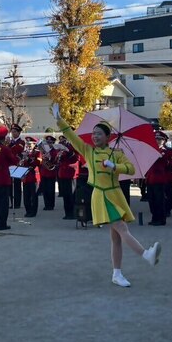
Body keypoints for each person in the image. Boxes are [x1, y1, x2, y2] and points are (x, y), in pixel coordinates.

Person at [54, 104, 162, 288]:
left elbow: (131, 169)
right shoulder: (89, 151)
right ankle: (146, 255)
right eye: (94, 133)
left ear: (108, 137)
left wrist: (114, 166)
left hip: (115, 194)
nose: (95, 136)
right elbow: (72, 137)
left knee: (116, 237)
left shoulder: (118, 154)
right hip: (101, 195)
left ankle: (116, 274)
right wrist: (59, 120)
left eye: (99, 134)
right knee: (121, 228)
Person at [145, 131, 172, 226]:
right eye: (156, 139)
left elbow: (167, 162)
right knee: (151, 200)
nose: (157, 141)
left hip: (159, 178)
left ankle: (161, 219)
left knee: (159, 200)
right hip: (150, 178)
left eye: (159, 139)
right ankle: (154, 218)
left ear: (164, 141)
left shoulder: (165, 151)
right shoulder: (150, 150)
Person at [56, 135, 79, 220]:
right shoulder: (62, 146)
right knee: (65, 194)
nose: (63, 139)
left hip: (71, 173)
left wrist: (68, 151)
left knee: (72, 194)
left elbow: (77, 158)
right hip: (63, 173)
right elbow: (57, 159)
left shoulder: (74, 145)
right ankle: (67, 213)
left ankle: (73, 213)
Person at [20, 136, 42, 218]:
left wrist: (28, 159)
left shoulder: (37, 153)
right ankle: (27, 210)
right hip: (26, 177)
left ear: (34, 144)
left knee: (33, 196)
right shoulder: (25, 153)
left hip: (34, 177)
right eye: (27, 144)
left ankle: (33, 212)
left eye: (30, 144)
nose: (28, 146)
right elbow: (22, 164)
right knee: (26, 196)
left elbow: (37, 163)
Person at [39, 135, 58, 211]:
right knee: (45, 190)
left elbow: (55, 160)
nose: (48, 144)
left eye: (50, 142)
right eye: (47, 142)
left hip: (51, 172)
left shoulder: (54, 151)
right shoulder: (43, 150)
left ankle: (51, 205)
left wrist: (49, 157)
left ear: (53, 143)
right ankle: (46, 204)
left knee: (50, 190)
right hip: (44, 172)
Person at [9, 124, 25, 209]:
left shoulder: (21, 142)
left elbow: (17, 149)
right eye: (12, 132)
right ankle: (12, 202)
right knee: (10, 185)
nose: (13, 133)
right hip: (10, 165)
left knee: (17, 185)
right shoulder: (11, 142)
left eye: (15, 132)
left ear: (19, 133)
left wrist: (10, 145)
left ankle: (17, 203)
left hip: (18, 165)